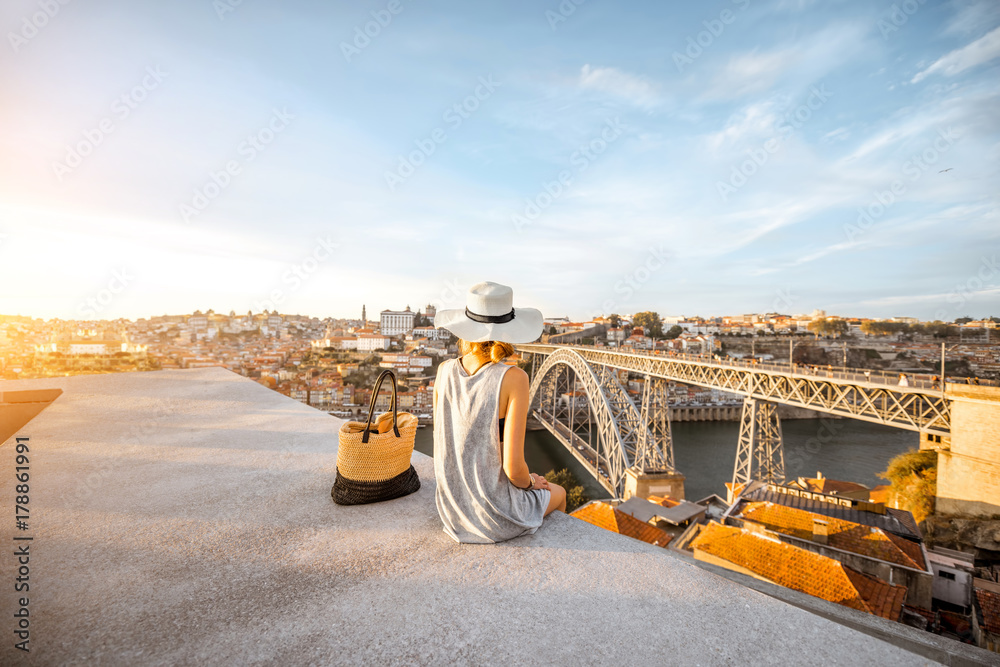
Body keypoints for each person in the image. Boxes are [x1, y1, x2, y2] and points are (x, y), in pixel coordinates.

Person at [432, 281, 566, 544]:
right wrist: (531, 482)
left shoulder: (443, 371)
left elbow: (446, 441)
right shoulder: (514, 378)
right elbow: (513, 469)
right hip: (494, 518)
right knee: (558, 491)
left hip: (451, 512)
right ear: (509, 331)